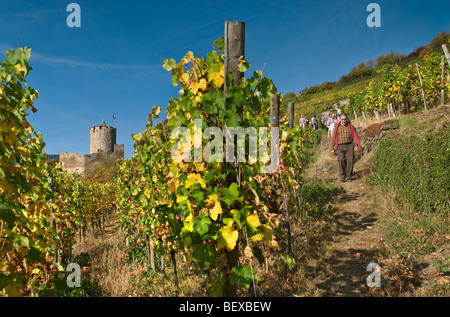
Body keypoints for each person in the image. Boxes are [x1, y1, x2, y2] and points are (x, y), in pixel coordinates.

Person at [331, 113, 362, 182]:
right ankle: (342, 175)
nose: (344, 121)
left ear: (346, 119)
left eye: (345, 119)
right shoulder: (337, 127)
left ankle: (349, 176)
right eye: (342, 119)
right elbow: (333, 138)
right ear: (340, 119)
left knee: (350, 160)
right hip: (340, 146)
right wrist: (332, 148)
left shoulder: (350, 126)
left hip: (349, 146)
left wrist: (357, 145)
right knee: (341, 160)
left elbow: (355, 136)